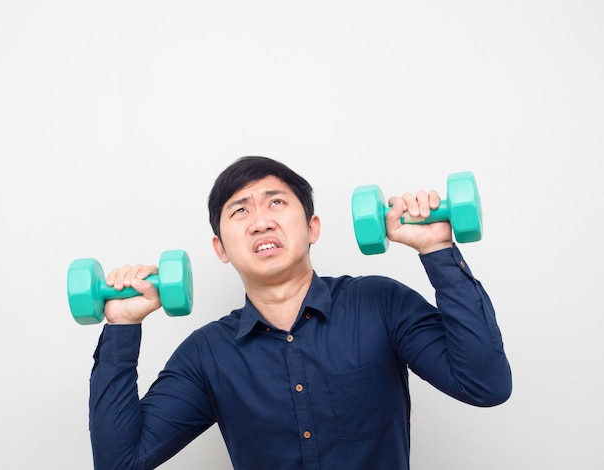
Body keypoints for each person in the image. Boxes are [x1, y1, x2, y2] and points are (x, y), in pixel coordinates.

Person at [89, 156, 512, 470]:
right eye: (240, 211)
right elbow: (119, 463)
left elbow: (485, 384)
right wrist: (122, 326)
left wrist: (437, 248)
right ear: (220, 248)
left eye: (276, 203)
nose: (260, 222)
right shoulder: (206, 356)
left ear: (312, 227)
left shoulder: (380, 303)